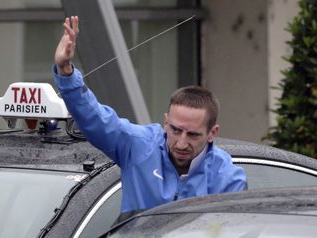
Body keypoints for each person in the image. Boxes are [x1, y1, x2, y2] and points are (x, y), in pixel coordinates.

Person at [53, 16, 247, 216]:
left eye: (193, 135)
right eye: (175, 130)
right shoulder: (138, 146)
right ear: (165, 122)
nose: (181, 143)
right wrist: (66, 71)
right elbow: (96, 119)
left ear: (212, 133)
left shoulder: (227, 178)